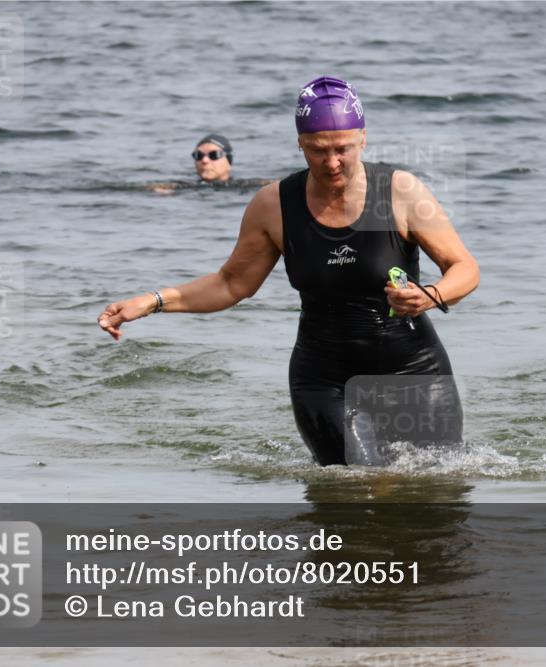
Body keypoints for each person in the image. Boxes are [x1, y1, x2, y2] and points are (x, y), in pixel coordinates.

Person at [99, 76, 480, 466]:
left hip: (412, 371)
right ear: (300, 143)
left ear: (363, 138)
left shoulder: (400, 191)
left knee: (436, 499)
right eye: (317, 150)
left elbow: (463, 267)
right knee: (354, 492)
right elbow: (231, 284)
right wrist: (151, 302)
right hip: (324, 379)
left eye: (342, 149)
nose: (331, 162)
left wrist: (430, 296)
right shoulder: (274, 205)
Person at [149, 134, 235, 194]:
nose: (205, 160)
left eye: (214, 155)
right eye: (198, 155)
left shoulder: (243, 187)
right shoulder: (181, 186)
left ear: (229, 161)